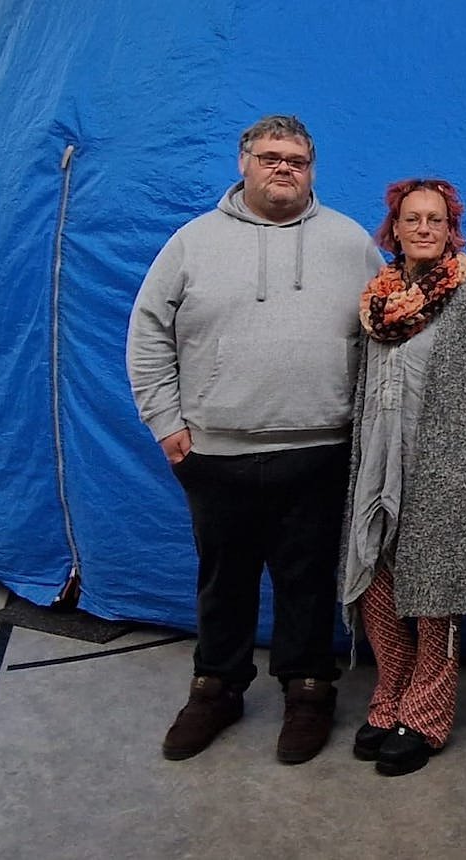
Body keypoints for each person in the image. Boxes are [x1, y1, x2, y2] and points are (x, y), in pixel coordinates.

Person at [126, 114, 383, 765]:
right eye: (270, 157)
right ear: (243, 163)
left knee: (309, 580)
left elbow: (385, 335)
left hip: (321, 449)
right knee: (224, 580)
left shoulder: (350, 243)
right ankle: (216, 687)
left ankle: (309, 689)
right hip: (217, 451)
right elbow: (149, 331)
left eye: (296, 159)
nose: (283, 168)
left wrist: (369, 433)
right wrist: (166, 422)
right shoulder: (192, 243)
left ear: (312, 170)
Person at [340, 178, 466, 777]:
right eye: (412, 219)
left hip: (446, 465)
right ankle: (390, 694)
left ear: (450, 228)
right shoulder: (377, 301)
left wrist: (455, 443)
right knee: (376, 575)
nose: (423, 229)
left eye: (435, 219)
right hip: (377, 458)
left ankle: (426, 714)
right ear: (395, 228)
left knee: (437, 590)